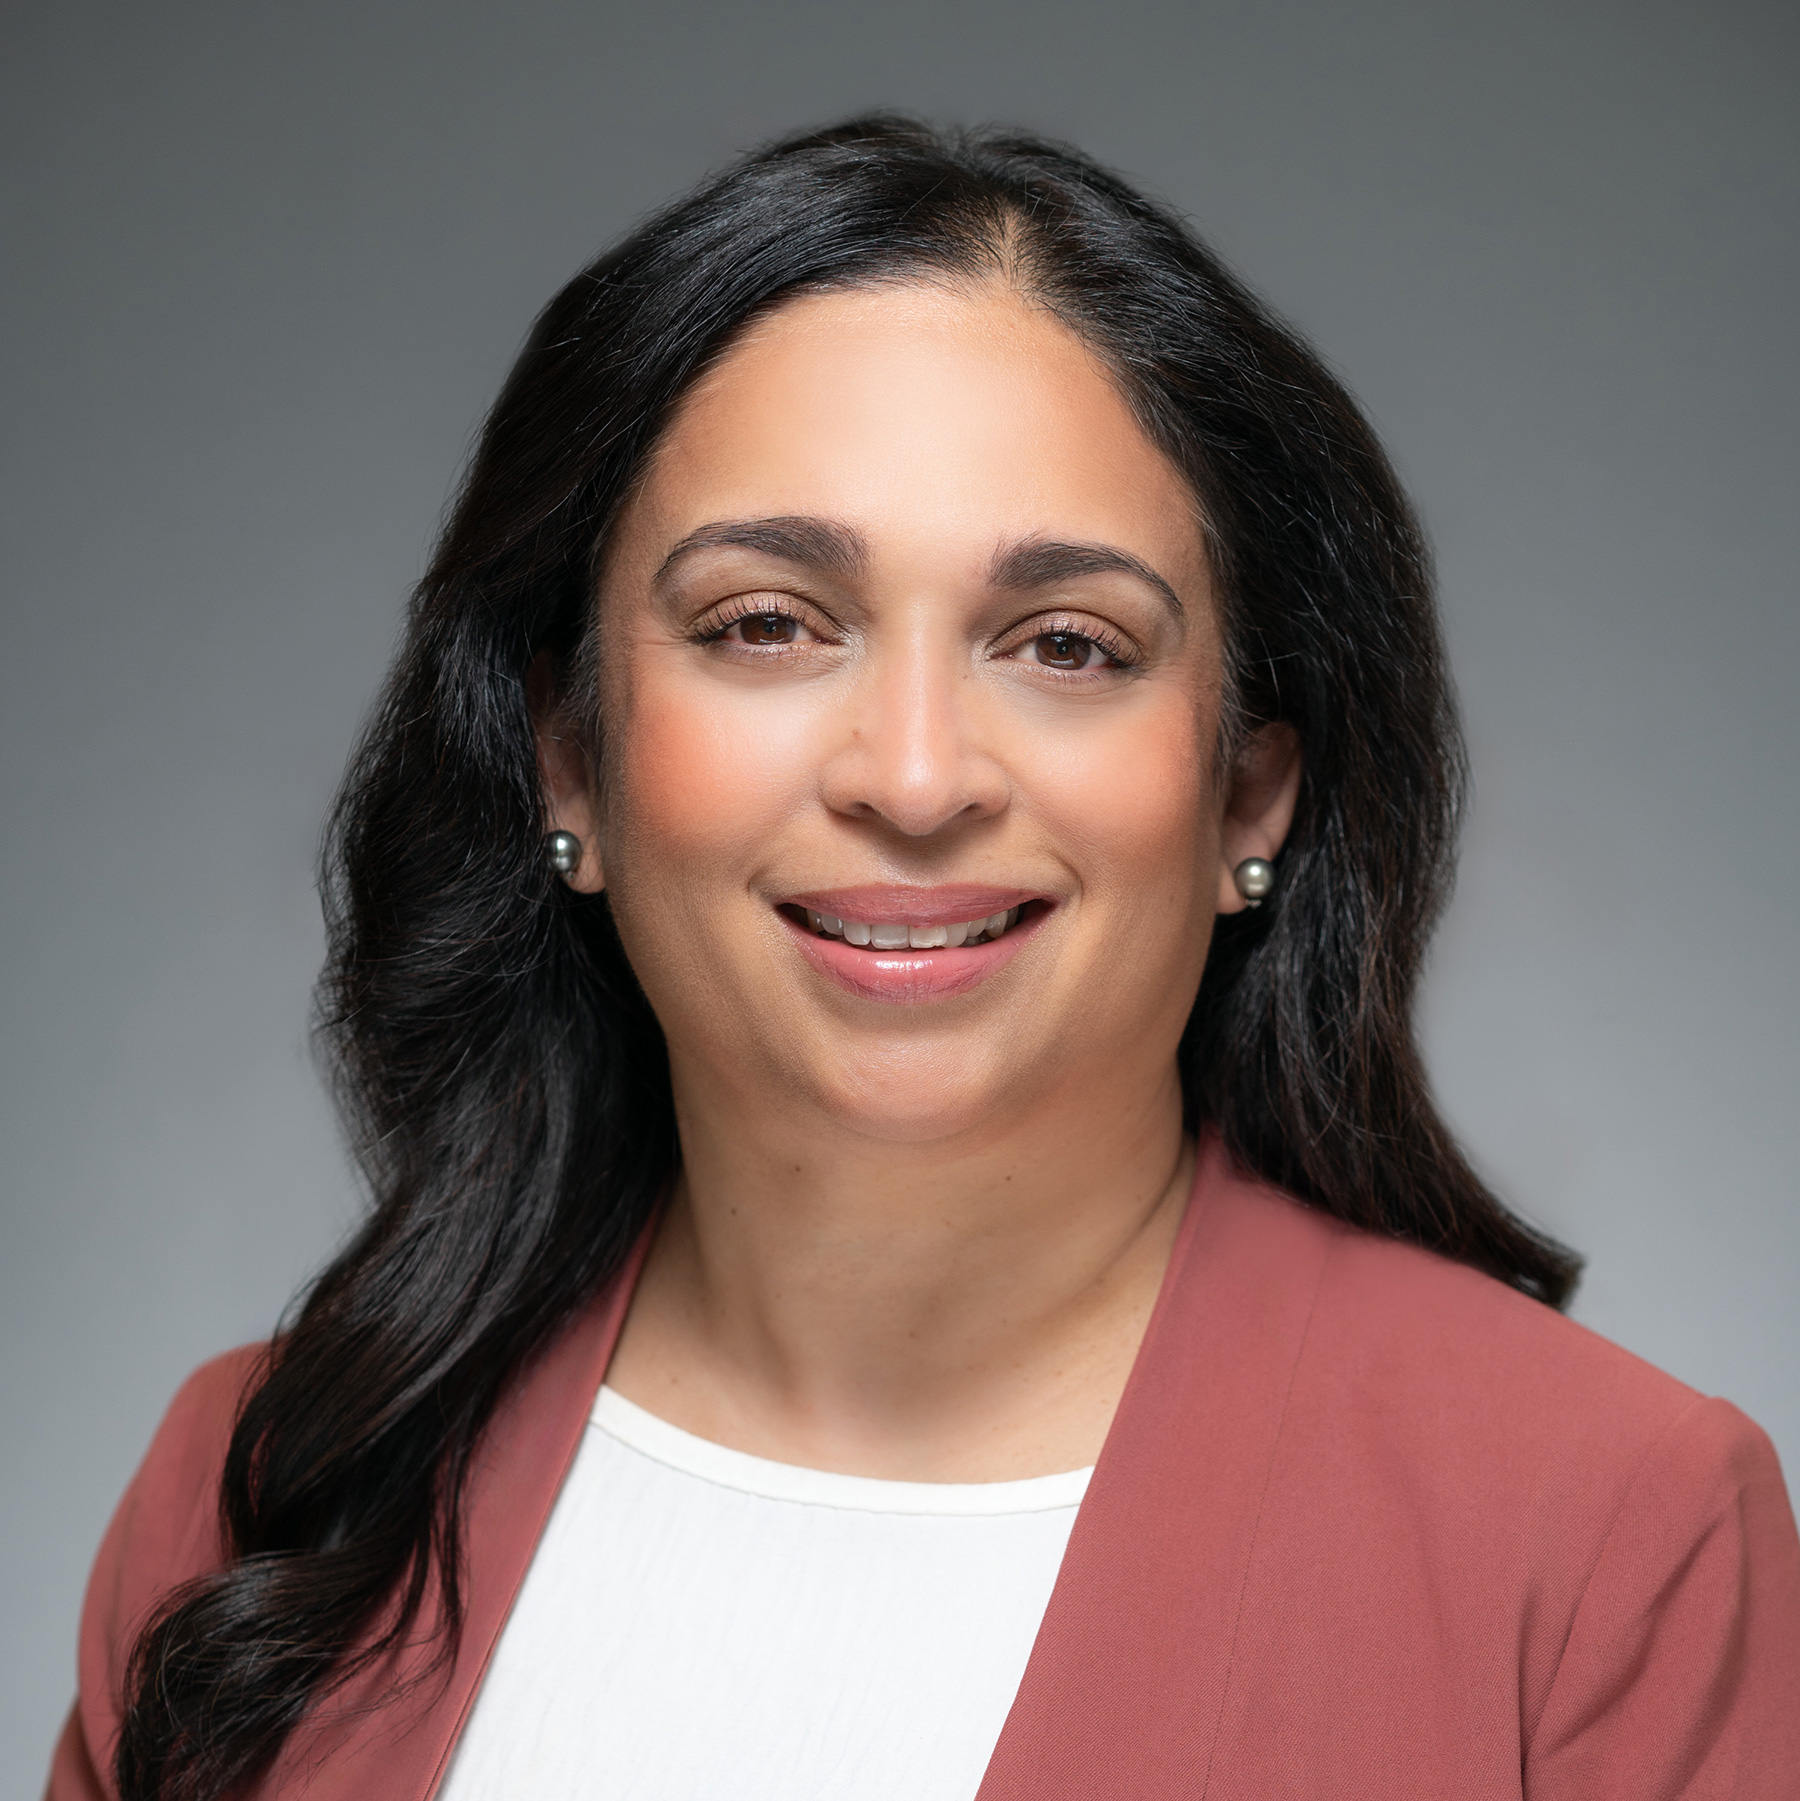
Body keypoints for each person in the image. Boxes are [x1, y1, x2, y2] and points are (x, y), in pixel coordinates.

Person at [47, 116, 1800, 1801]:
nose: (911, 775)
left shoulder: (1598, 1537)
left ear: (1245, 791)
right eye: (766, 624)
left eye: (1065, 643)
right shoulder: (272, 1489)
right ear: (565, 756)